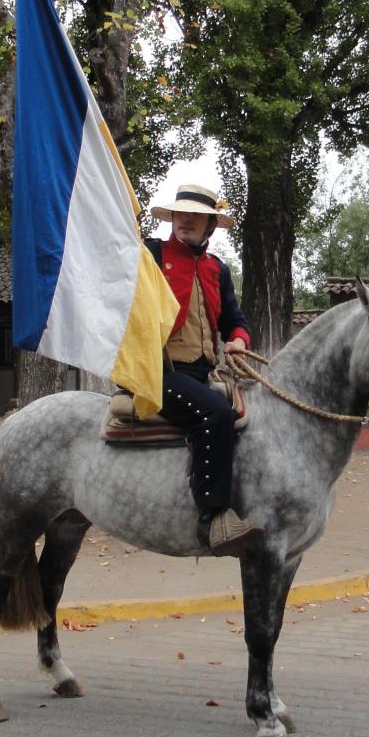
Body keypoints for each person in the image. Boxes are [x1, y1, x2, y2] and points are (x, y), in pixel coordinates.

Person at [147, 184, 264, 557]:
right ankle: (213, 518)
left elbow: (235, 320)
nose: (186, 221)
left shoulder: (218, 270)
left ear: (210, 226)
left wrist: (239, 340)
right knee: (215, 413)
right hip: (157, 372)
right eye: (181, 214)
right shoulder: (151, 254)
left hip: (203, 373)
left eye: (195, 216)